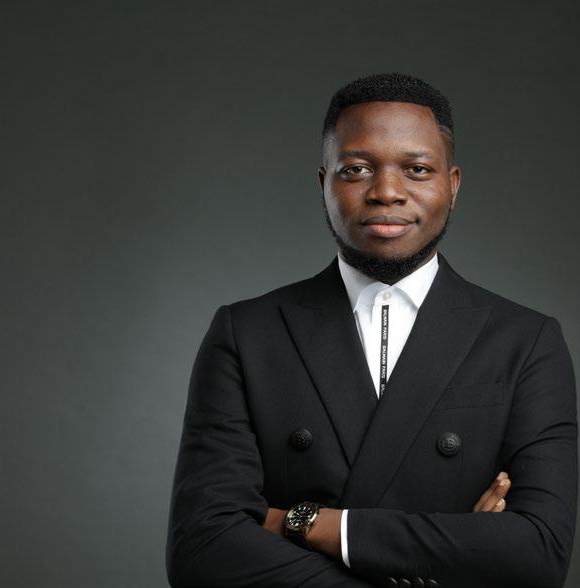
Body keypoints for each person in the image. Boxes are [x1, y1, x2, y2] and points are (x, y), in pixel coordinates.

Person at [165, 73, 578, 587]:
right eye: (357, 169)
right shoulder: (247, 334)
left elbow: (538, 553)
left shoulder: (527, 341)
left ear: (452, 186)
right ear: (324, 184)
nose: (386, 192)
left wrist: (305, 523)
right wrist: (457, 552)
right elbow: (201, 549)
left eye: (417, 169)